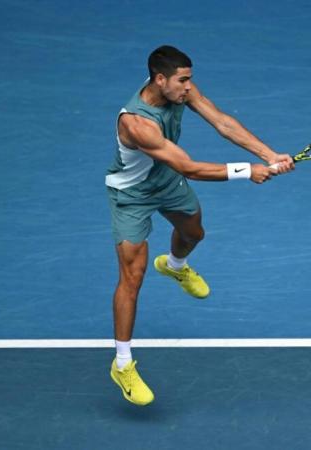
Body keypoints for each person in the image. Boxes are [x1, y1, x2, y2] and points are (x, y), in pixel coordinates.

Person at [106, 45, 294, 406]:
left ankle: (175, 266)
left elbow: (222, 121)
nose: (188, 87)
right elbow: (189, 168)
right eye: (182, 80)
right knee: (132, 275)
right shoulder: (137, 123)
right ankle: (123, 364)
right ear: (159, 80)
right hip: (131, 195)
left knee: (194, 234)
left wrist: (268, 155)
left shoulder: (180, 89)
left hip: (165, 179)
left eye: (189, 78)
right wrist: (246, 171)